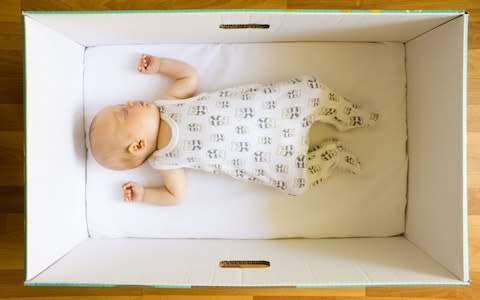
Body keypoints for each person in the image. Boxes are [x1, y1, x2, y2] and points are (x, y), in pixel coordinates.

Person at [89, 54, 378, 205]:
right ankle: (331, 156)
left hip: (269, 110)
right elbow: (175, 196)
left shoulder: (166, 104)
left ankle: (346, 115)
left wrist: (161, 65)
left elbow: (189, 75)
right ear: (137, 145)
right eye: (125, 112)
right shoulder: (166, 162)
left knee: (309, 91)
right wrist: (144, 194)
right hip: (263, 154)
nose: (129, 101)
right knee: (297, 182)